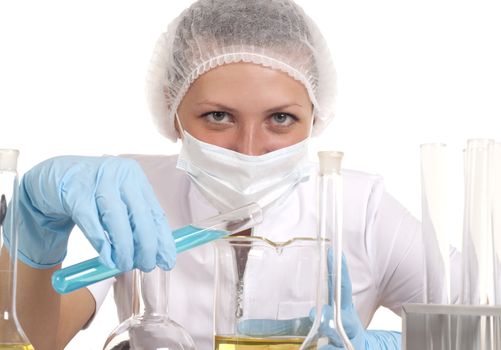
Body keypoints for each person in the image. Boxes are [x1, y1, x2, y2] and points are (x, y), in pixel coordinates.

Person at [4, 0, 427, 349]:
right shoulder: (131, 192)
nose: (248, 148)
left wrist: (383, 346)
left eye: (281, 117)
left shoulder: (362, 209)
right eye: (218, 116)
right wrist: (32, 237)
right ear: (172, 109)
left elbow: (484, 329)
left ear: (316, 115)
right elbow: (29, 338)